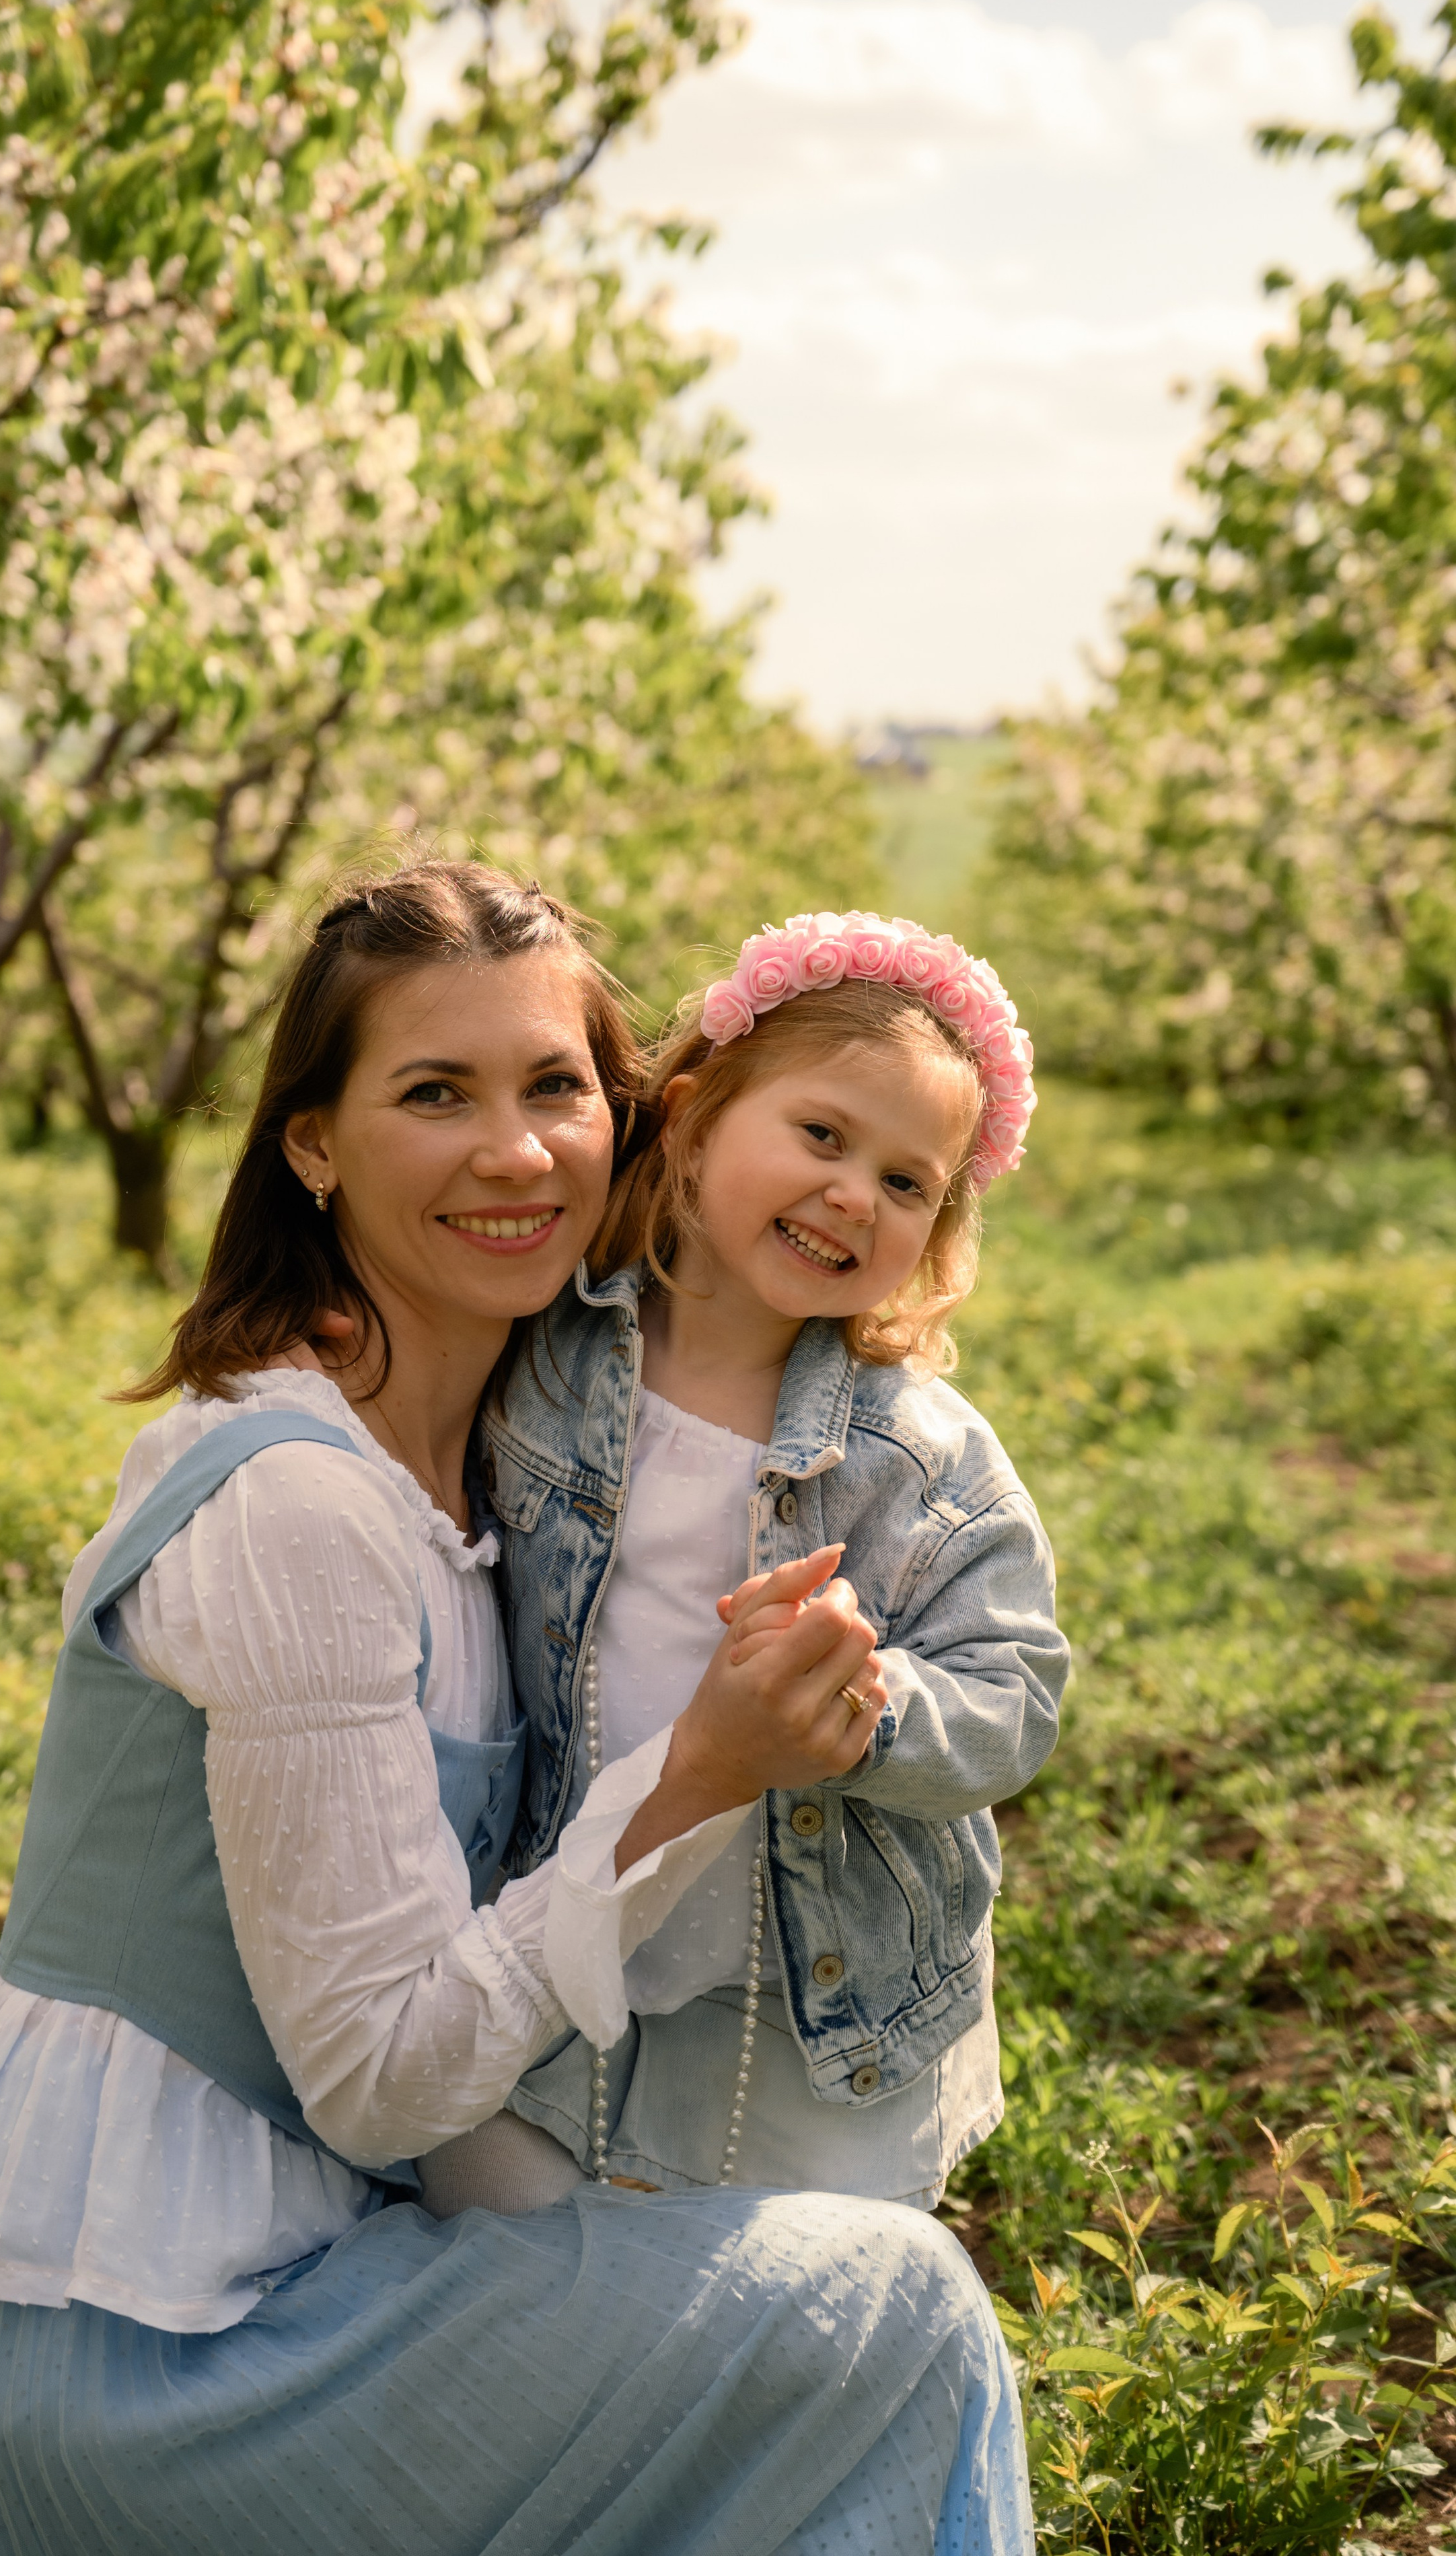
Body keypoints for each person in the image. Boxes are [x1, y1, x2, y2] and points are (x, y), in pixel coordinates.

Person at [0, 867, 1030, 2556]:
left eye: (554, 1087)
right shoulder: (302, 1506)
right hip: (143, 2341)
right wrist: (705, 1768)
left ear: (632, 1121)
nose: (516, 1151)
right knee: (887, 2310)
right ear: (312, 1145)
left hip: (306, 2268)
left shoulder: (494, 1480)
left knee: (785, 2303)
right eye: (432, 1094)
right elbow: (383, 2082)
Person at [483, 910, 1070, 2207]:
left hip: (808, 1978)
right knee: (576, 2255)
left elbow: (1015, 1688)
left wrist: (869, 1711)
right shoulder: (542, 1358)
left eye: (910, 1182)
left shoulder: (918, 1457)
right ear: (691, 1118)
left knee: (800, 2269)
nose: (857, 1192)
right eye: (822, 1136)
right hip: (581, 1898)